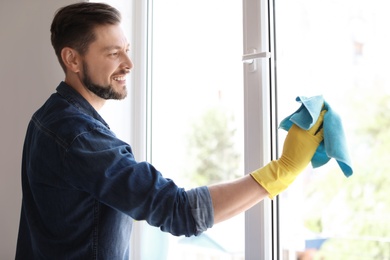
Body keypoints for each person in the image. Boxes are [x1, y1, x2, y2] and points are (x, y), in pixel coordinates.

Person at [15, 2, 325, 259]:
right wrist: (280, 172)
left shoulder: (49, 116)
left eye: (127, 49)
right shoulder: (79, 137)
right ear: (72, 59)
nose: (129, 63)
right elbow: (180, 211)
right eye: (113, 53)